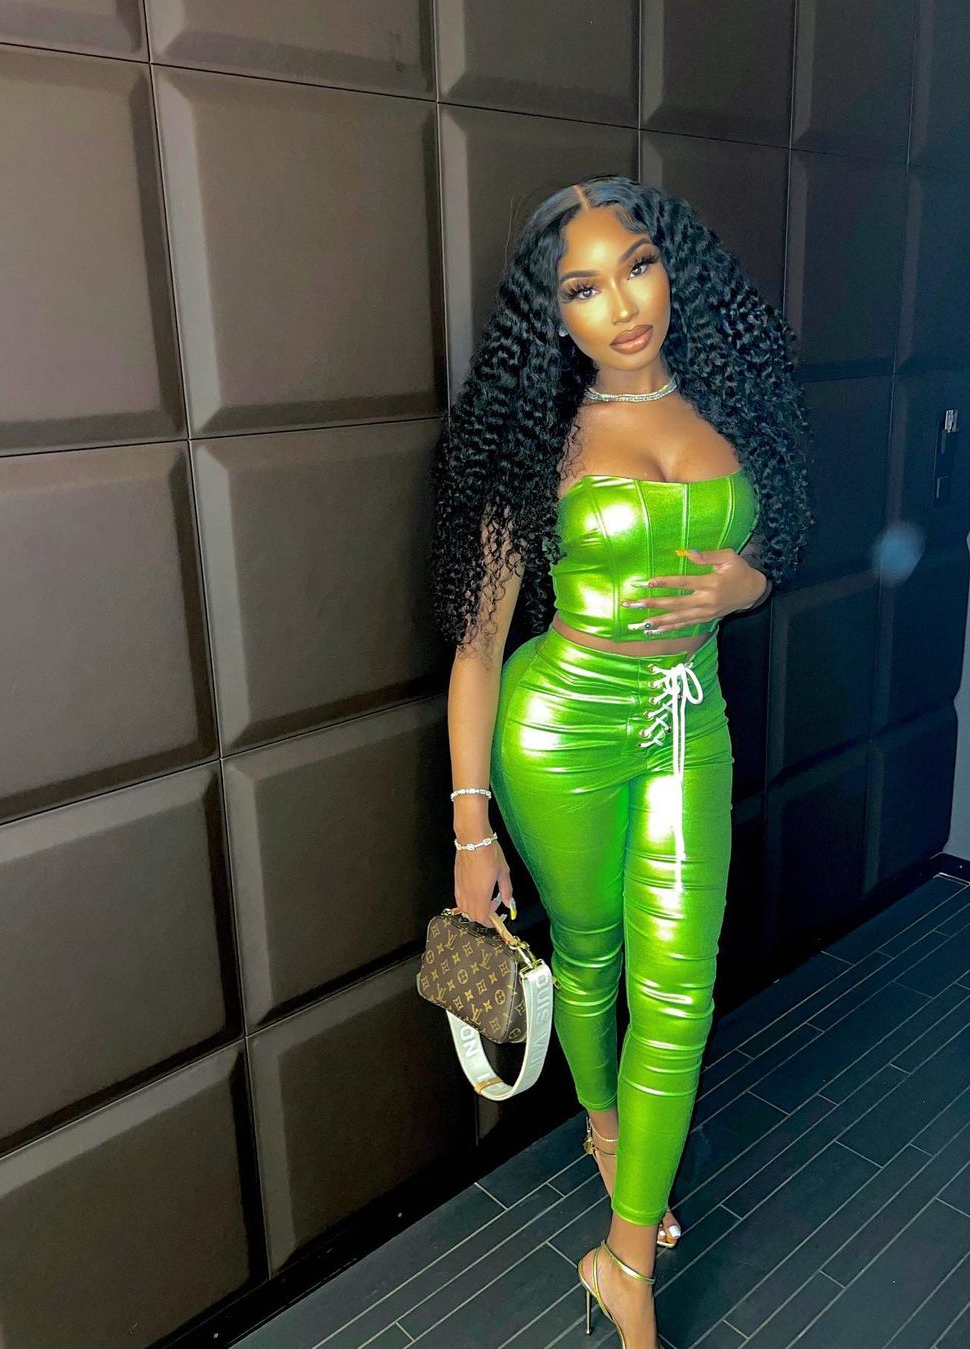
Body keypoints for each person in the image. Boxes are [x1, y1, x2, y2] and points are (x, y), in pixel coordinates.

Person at [429, 175, 813, 1347]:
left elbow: (761, 546)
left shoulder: (727, 402)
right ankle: (603, 1123)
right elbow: (479, 650)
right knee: (590, 958)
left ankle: (625, 1256)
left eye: (637, 266)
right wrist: (471, 830)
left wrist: (749, 584)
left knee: (682, 992)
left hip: (691, 722)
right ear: (553, 315)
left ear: (669, 268)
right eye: (583, 287)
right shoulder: (536, 442)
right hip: (562, 729)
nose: (623, 304)